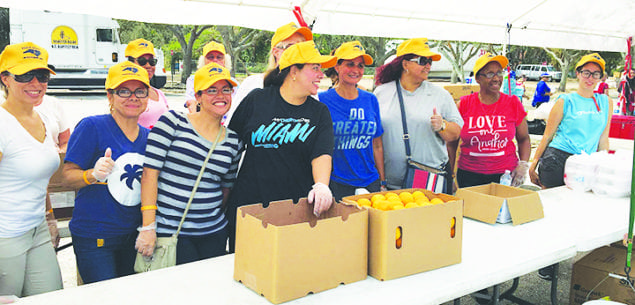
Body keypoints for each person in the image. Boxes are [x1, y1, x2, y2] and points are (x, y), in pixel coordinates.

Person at [227, 40, 336, 252]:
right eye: (315, 68)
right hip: (250, 207)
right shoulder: (257, 100)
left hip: (295, 211)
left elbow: (321, 153)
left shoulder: (319, 112)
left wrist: (322, 185)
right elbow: (231, 144)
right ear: (293, 71)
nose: (321, 74)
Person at [135, 63, 242, 264]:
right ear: (198, 96)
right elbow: (150, 174)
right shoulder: (172, 123)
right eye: (212, 90)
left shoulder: (233, 141)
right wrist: (148, 227)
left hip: (214, 233)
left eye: (226, 89)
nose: (220, 95)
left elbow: (226, 187)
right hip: (173, 233)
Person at [62, 61, 151, 284]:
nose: (133, 97)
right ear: (110, 96)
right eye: (124, 91)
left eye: (140, 91)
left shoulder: (150, 137)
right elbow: (67, 176)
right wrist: (92, 174)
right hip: (96, 237)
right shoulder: (92, 127)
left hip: (133, 235)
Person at [0, 42, 63, 297]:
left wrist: (49, 216)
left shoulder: (44, 119)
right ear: (5, 79)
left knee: (52, 297)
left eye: (42, 75)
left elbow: (39, 178)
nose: (36, 83)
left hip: (37, 229)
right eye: (25, 75)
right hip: (5, 236)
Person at [373, 38, 463, 190]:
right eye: (422, 61)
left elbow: (456, 134)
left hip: (428, 181)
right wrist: (381, 180)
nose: (428, 65)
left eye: (430, 61)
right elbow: (375, 140)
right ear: (405, 64)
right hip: (390, 183)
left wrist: (443, 126)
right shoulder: (381, 93)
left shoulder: (440, 95)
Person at [529, 53, 612, 189]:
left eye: (595, 74)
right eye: (586, 73)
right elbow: (547, 135)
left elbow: (603, 138)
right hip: (557, 160)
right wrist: (534, 163)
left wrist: (604, 166)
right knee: (552, 205)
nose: (590, 78)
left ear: (601, 77)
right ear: (578, 74)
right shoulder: (564, 101)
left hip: (585, 164)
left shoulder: (605, 102)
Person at [447, 53, 530, 188]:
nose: (496, 78)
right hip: (469, 175)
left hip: (505, 175)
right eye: (490, 74)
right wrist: (449, 174)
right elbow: (451, 142)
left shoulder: (513, 103)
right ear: (478, 78)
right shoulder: (464, 104)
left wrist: (523, 165)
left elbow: (524, 138)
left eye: (499, 73)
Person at [318, 41, 386, 200]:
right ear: (337, 66)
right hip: (337, 183)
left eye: (360, 66)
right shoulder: (322, 101)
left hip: (370, 181)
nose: (356, 70)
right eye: (350, 64)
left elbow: (377, 144)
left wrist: (382, 181)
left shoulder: (371, 99)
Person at [231, 22, 312, 118]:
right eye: (292, 47)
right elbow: (232, 126)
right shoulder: (253, 83)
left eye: (303, 48)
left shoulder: (308, 89)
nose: (299, 52)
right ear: (276, 52)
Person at [184, 41, 239, 116]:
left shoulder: (233, 82)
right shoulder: (194, 80)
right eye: (210, 57)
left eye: (219, 57)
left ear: (225, 60)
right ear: (203, 61)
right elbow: (191, 103)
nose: (215, 60)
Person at [125, 38, 169, 129]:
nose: (148, 66)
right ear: (130, 63)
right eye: (142, 61)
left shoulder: (159, 94)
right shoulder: (124, 95)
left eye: (152, 61)